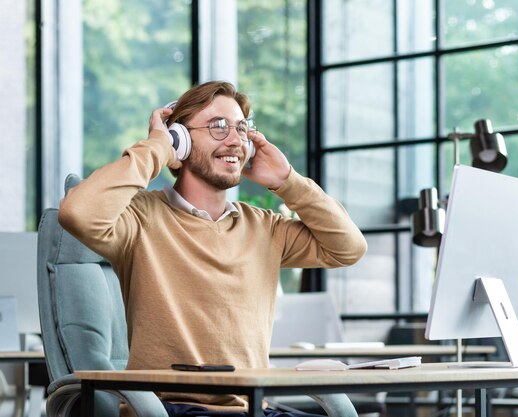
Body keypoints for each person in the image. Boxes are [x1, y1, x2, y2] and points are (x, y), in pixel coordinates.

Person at [58, 81, 367, 417]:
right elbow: (78, 212)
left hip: (254, 409)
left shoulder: (265, 228)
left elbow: (348, 248)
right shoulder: (140, 218)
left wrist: (287, 180)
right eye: (219, 127)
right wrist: (157, 148)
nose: (235, 140)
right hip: (171, 408)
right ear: (182, 141)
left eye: (241, 129)